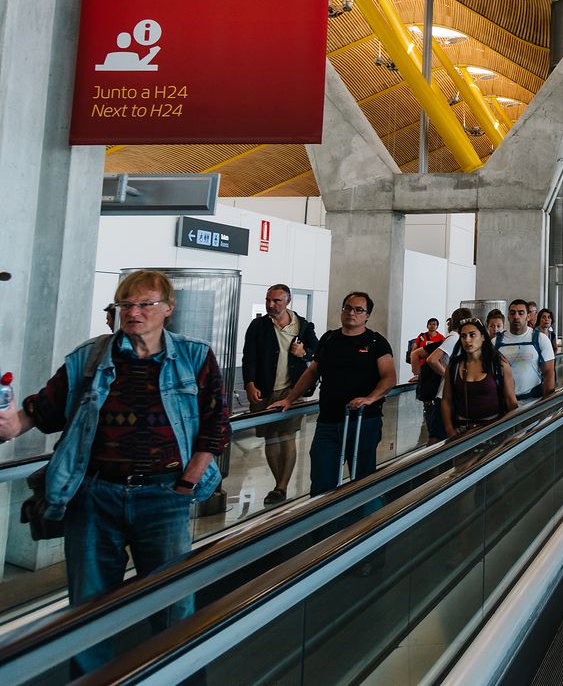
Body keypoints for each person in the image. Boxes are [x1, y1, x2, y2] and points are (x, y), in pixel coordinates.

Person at [0, 270, 229, 672]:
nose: (133, 312)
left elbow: (216, 426)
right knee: (88, 608)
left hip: (164, 499)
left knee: (173, 603)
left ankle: (177, 675)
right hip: (94, 498)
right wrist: (11, 424)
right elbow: (41, 410)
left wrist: (187, 482)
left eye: (145, 304)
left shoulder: (194, 357)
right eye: (125, 304)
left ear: (168, 310)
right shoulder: (91, 358)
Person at [270, 291, 395, 493]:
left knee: (362, 481)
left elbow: (389, 377)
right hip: (328, 422)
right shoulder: (329, 339)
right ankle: (323, 523)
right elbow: (312, 372)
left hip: (363, 422)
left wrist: (369, 399)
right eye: (347, 307)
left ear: (367, 315)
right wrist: (289, 399)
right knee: (321, 481)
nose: (351, 313)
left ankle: (363, 521)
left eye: (358, 309)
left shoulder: (375, 342)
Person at [241, 283, 319, 505]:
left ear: (288, 301)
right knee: (270, 437)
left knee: (287, 436)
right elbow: (249, 357)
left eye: (276, 301)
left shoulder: (302, 326)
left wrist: (304, 352)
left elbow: (317, 351)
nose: (271, 305)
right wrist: (249, 383)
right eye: (268, 300)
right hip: (265, 389)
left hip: (291, 390)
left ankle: (281, 486)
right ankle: (279, 482)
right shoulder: (258, 325)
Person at [441, 318, 516, 436]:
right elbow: (446, 399)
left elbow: (510, 400)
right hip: (463, 430)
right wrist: (450, 430)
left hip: (494, 429)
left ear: (483, 337)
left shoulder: (498, 364)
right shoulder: (454, 366)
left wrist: (512, 431)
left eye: (472, 335)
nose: (467, 340)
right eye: (463, 336)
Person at [412, 307, 474, 443]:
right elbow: (432, 359)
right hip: (445, 396)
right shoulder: (454, 338)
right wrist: (449, 376)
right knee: (438, 437)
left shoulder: (456, 338)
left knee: (446, 436)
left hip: (452, 396)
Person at [496, 300, 557, 401]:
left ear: (528, 316)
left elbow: (549, 373)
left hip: (533, 401)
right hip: (504, 402)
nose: (516, 316)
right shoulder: (495, 342)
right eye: (512, 313)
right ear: (508, 316)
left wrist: (547, 404)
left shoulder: (540, 339)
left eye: (521, 313)